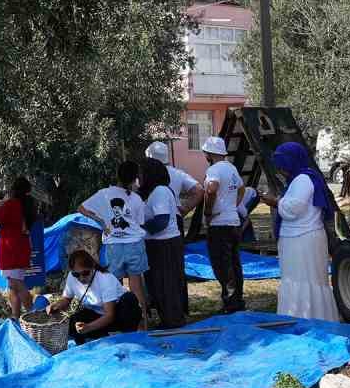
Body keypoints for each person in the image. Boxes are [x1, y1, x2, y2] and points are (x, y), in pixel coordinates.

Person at [261, 142, 342, 322]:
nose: (280, 170)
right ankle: (305, 317)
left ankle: (306, 318)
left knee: (304, 281)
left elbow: (293, 209)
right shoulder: (302, 179)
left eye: (282, 165)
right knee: (299, 280)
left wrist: (274, 202)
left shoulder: (303, 180)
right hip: (300, 238)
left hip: (303, 239)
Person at [77, 160, 149, 318]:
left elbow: (81, 208)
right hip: (135, 245)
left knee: (114, 286)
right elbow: (140, 223)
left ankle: (116, 322)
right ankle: (142, 325)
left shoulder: (104, 194)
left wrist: (101, 221)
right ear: (134, 178)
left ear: (117, 175)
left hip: (114, 246)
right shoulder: (136, 198)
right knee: (136, 286)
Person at [48, 249, 141, 344]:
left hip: (117, 315)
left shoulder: (105, 279)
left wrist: (88, 327)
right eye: (76, 274)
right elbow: (67, 299)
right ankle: (99, 336)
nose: (81, 278)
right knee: (73, 323)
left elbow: (110, 315)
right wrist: (56, 305)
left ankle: (126, 337)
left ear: (92, 268)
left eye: (85, 273)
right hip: (97, 314)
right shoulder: (72, 277)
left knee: (129, 299)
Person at [139, 157, 188, 329]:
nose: (139, 177)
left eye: (142, 174)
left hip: (164, 244)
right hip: (157, 244)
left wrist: (140, 226)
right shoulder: (153, 192)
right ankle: (167, 318)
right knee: (158, 284)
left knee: (167, 284)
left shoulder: (160, 191)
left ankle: (173, 320)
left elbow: (161, 221)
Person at [199, 136, 246, 314]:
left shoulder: (214, 170)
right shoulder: (232, 168)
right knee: (235, 263)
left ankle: (230, 303)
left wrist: (208, 213)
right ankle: (238, 300)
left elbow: (211, 189)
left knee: (222, 265)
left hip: (219, 224)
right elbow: (241, 189)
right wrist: (232, 205)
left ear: (209, 154)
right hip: (233, 221)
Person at [0, 176, 36, 319]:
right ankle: (15, 316)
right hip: (21, 246)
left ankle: (33, 314)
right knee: (12, 285)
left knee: (16, 283)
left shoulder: (11, 204)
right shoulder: (28, 204)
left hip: (10, 248)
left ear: (14, 190)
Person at [145, 141, 203, 215]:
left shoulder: (146, 173)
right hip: (175, 215)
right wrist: (186, 209)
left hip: (153, 216)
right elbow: (199, 190)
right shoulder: (178, 173)